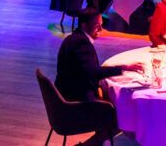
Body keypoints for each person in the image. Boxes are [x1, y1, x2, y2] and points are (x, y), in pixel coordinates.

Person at [55, 9, 143, 146]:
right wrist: (123, 68)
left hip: (66, 95)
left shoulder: (74, 38)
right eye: (97, 25)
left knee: (111, 102)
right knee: (121, 117)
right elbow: (93, 72)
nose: (101, 29)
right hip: (74, 102)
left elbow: (86, 71)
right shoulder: (81, 44)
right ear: (84, 25)